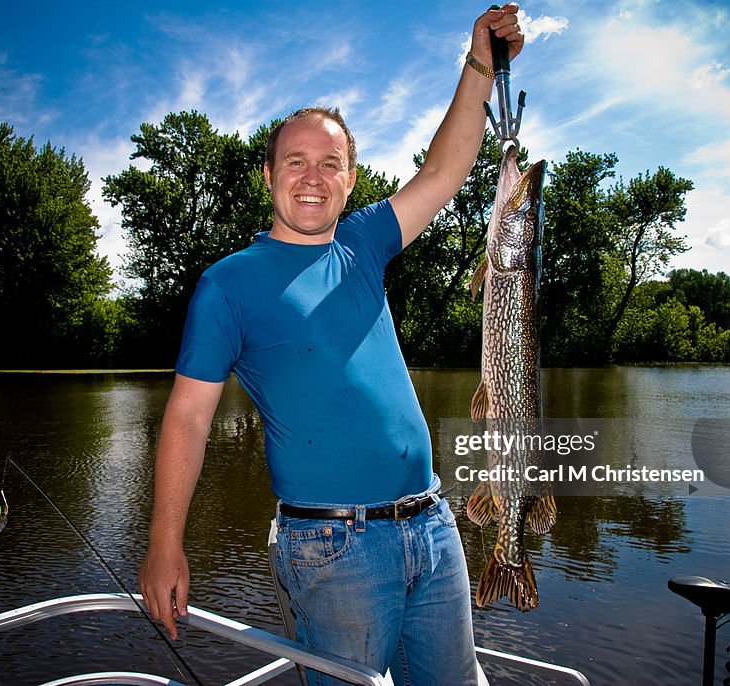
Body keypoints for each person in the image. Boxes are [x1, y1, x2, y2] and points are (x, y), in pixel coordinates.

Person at [139, 5, 524, 684]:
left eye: (330, 163)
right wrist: (164, 544)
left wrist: (479, 65)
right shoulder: (227, 286)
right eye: (295, 161)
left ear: (350, 180)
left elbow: (445, 170)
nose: (312, 177)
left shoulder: (364, 242)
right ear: (267, 175)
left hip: (433, 527)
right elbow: (189, 417)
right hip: (331, 547)